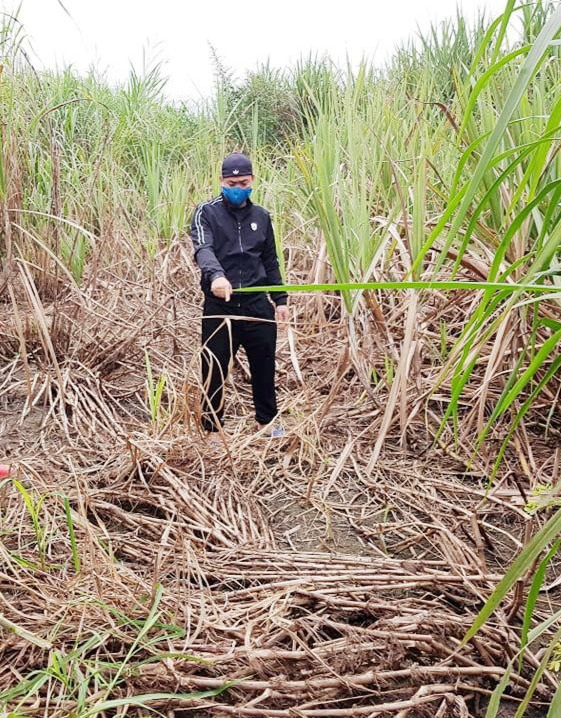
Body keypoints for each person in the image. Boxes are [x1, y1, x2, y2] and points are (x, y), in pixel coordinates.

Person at [190, 152, 289, 436]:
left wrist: (280, 300)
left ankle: (267, 422)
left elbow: (270, 260)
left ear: (252, 181)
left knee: (264, 365)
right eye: (231, 183)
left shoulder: (261, 217)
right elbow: (203, 249)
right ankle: (211, 429)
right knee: (214, 367)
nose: (236, 188)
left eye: (242, 182)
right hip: (221, 305)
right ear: (221, 181)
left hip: (258, 305)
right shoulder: (205, 213)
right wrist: (217, 276)